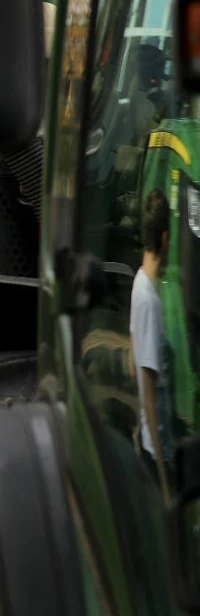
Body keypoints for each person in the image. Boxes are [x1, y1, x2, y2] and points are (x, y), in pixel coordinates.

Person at [131, 187, 175, 493]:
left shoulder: (140, 283)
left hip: (150, 440)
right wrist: (162, 476)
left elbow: (132, 363)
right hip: (156, 451)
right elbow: (147, 387)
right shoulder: (148, 300)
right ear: (165, 238)